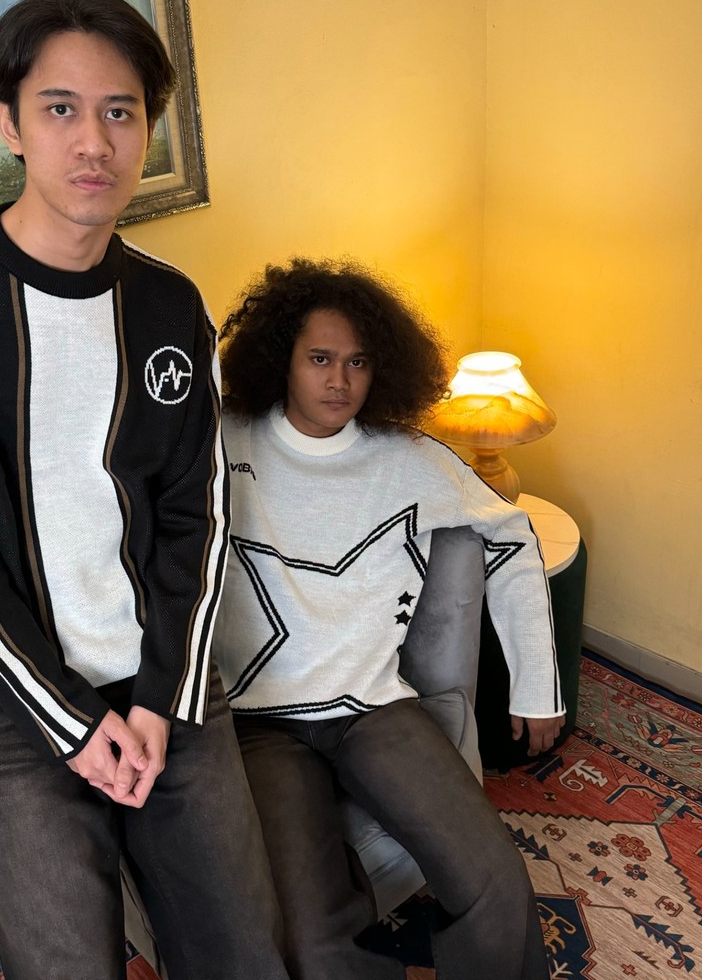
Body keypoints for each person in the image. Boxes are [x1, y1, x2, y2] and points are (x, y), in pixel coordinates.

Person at [0, 0, 288, 980]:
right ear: (9, 124)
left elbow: (196, 517)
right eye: (60, 108)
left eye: (119, 111)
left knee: (242, 953)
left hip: (163, 683)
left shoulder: (169, 305)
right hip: (7, 703)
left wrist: (160, 702)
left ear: (146, 129)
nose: (94, 141)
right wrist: (70, 722)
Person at [214, 258, 564, 980]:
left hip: (374, 709)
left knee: (495, 878)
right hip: (259, 725)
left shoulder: (410, 458)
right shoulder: (223, 441)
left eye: (358, 362)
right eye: (319, 358)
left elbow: (512, 538)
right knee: (311, 937)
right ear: (281, 359)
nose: (339, 381)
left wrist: (536, 687)